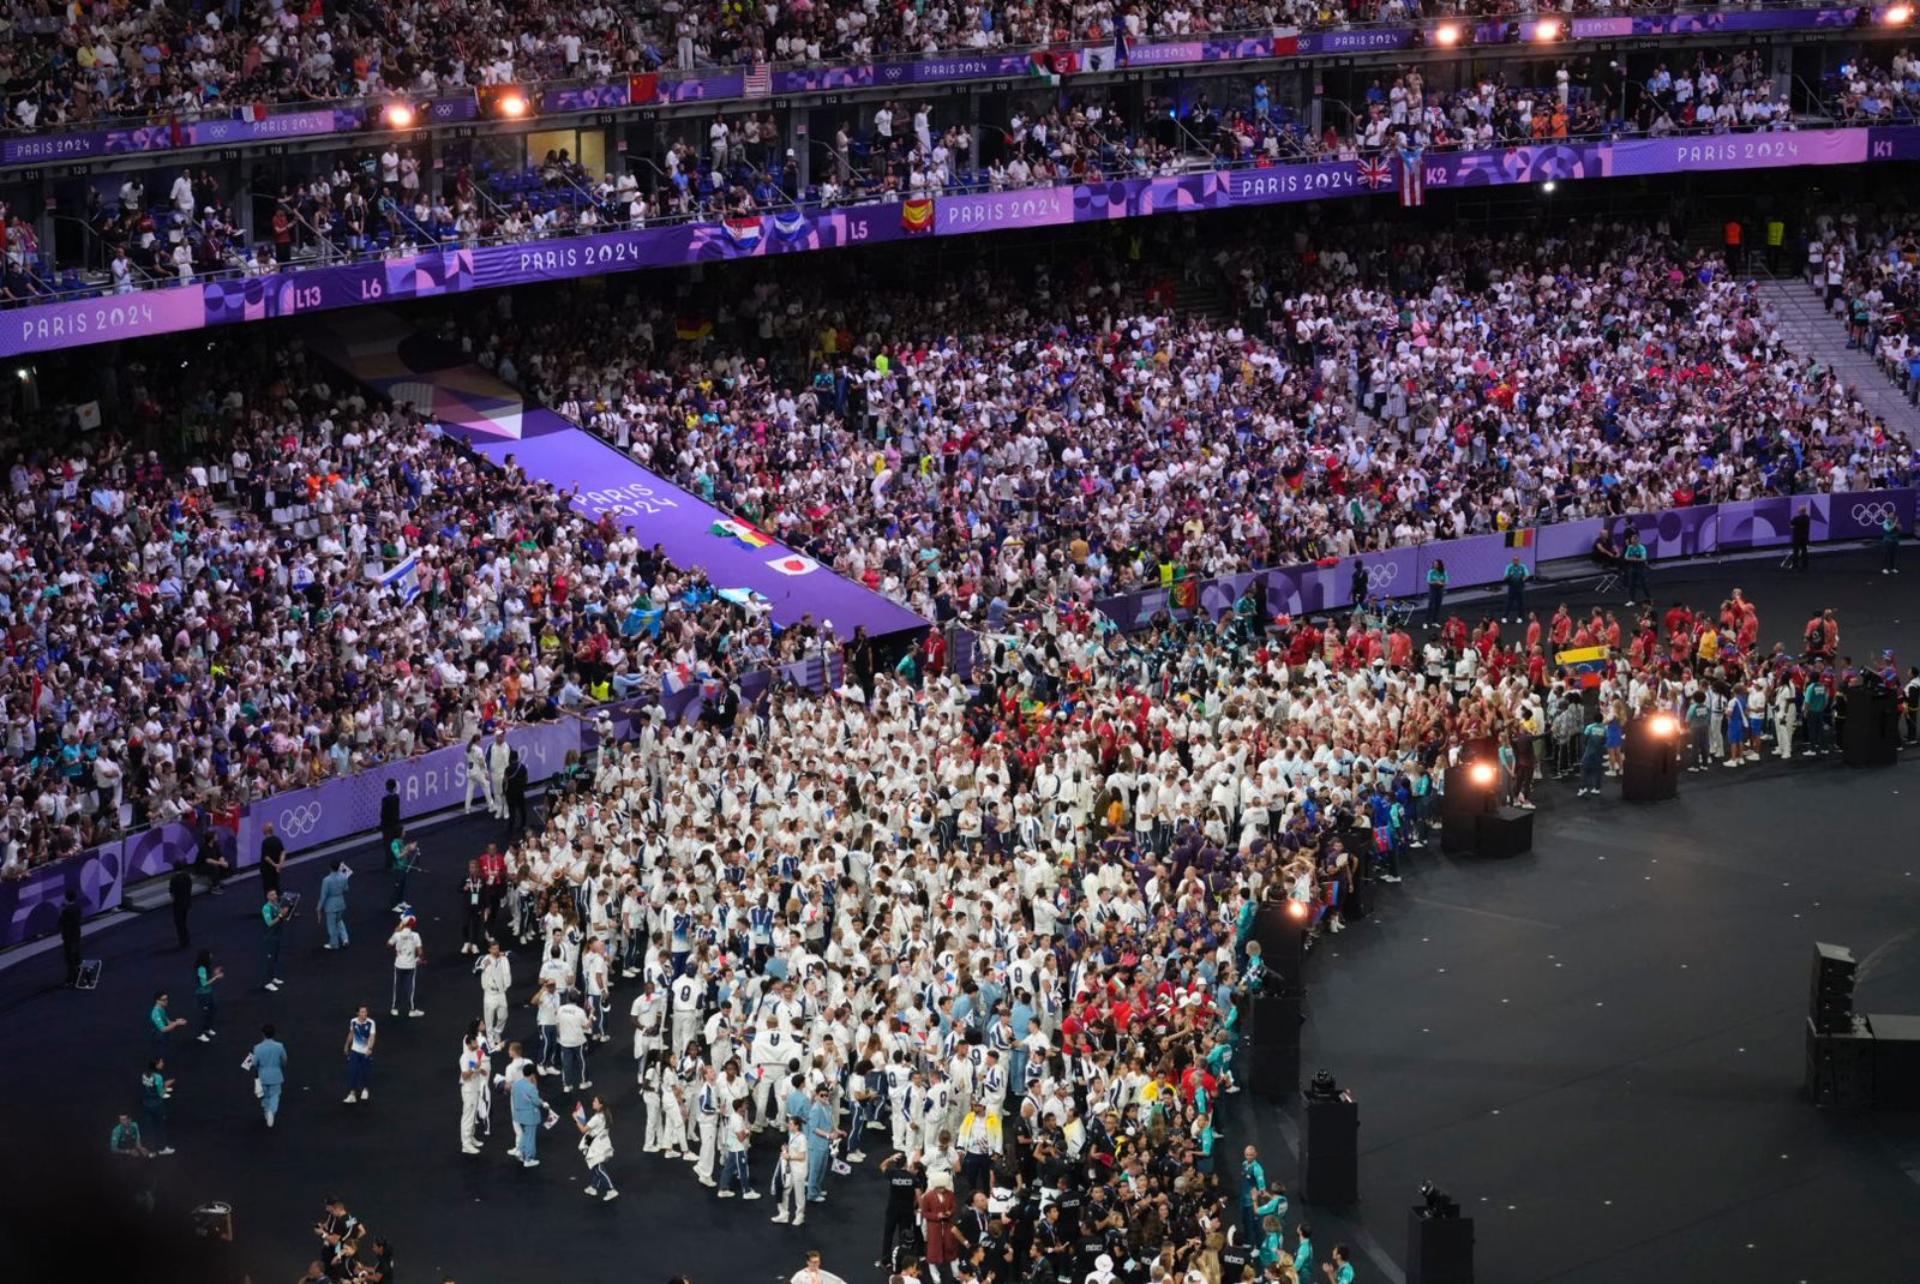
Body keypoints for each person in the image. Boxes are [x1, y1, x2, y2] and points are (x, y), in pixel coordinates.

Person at [576, 1094, 617, 1200]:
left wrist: (576, 1118)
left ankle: (611, 1190)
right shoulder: (605, 1114)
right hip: (601, 1142)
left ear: (601, 1105)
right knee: (595, 1166)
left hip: (596, 1146)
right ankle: (593, 1187)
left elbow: (583, 1130)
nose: (593, 1103)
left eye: (595, 1102)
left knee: (598, 1167)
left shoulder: (596, 1118)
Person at [772, 1114, 810, 1225]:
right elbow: (795, 1150)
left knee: (799, 1195)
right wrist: (787, 1149)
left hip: (799, 1171)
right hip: (791, 1169)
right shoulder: (792, 1135)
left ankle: (800, 1216)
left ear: (797, 1126)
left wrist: (789, 1156)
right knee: (785, 1190)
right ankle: (784, 1214)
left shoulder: (802, 1138)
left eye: (791, 1124)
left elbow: (802, 1156)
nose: (788, 1125)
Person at [250, 1023, 288, 1128]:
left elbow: (254, 1063)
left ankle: (267, 1112)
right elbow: (284, 1060)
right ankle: (272, 1111)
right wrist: (280, 1066)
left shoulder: (257, 1048)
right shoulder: (279, 1046)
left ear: (262, 1034)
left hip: (263, 1076)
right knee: (275, 1095)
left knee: (265, 1096)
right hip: (276, 1074)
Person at [510, 1059, 545, 1166]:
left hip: (518, 1114)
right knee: (530, 1137)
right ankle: (528, 1159)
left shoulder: (516, 1084)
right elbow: (536, 1101)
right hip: (530, 1116)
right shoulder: (531, 1087)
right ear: (533, 1074)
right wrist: (543, 1103)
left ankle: (520, 1151)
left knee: (525, 1134)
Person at [459, 1032, 489, 1155]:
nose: (477, 1043)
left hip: (475, 1089)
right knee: (468, 1117)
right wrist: (474, 1068)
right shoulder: (464, 1057)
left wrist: (480, 1070)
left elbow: (475, 1069)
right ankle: (465, 1144)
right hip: (469, 1090)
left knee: (472, 1116)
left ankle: (471, 1138)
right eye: (474, 1042)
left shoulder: (474, 1054)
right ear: (468, 1044)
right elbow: (464, 1076)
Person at [389, 915, 424, 1017]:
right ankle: (412, 1010)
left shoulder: (397, 934)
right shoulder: (416, 935)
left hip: (399, 964)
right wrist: (419, 959)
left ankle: (394, 1008)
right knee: (410, 987)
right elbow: (420, 952)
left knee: (397, 986)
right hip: (410, 965)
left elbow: (388, 944)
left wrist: (395, 932)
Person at [479, 941, 512, 1045]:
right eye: (493, 949)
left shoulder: (504, 959)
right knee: (489, 1018)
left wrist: (504, 953)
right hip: (490, 993)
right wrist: (483, 966)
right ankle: (490, 1038)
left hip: (501, 992)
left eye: (497, 948)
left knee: (503, 1016)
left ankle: (497, 1032)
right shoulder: (485, 959)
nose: (496, 950)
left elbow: (515, 956)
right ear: (489, 950)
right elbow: (474, 971)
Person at [140, 1058, 175, 1155]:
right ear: (156, 1065)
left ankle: (151, 1150)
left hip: (146, 1104)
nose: (163, 1063)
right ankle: (162, 1148)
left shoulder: (144, 1073)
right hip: (157, 1105)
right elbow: (161, 1093)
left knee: (150, 1127)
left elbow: (149, 1087)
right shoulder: (158, 1077)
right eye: (161, 1062)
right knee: (160, 1126)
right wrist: (165, 1085)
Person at [345, 1005, 377, 1103]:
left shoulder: (371, 1023)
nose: (364, 1014)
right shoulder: (353, 1021)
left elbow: (372, 1037)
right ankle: (352, 1094)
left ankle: (365, 1089)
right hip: (354, 1051)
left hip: (365, 1052)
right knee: (352, 1071)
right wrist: (346, 1045)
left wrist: (370, 1048)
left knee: (365, 1071)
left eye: (365, 1012)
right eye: (362, 1012)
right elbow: (351, 1033)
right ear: (357, 1013)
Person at [261, 889, 291, 992]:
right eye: (272, 894)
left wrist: (286, 912)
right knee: (269, 960)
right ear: (267, 896)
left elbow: (283, 918)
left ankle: (272, 978)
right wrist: (281, 915)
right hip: (270, 937)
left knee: (274, 958)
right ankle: (267, 982)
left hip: (277, 936)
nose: (275, 896)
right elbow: (269, 923)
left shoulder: (277, 905)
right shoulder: (266, 908)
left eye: (275, 894)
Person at [318, 861, 352, 950]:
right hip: (341, 903)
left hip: (330, 905)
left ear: (330, 868)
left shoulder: (326, 880)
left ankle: (334, 944)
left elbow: (323, 895)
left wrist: (319, 907)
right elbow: (346, 888)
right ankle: (345, 939)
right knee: (339, 921)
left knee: (332, 926)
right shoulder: (343, 877)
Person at [193, 950, 223, 1042]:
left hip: (209, 992)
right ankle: (200, 1034)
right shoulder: (201, 968)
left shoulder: (206, 967)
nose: (212, 957)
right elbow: (204, 983)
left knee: (213, 1009)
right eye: (210, 956)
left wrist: (215, 973)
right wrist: (216, 977)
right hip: (202, 995)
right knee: (204, 1014)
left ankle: (207, 1028)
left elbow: (208, 978)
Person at [149, 990, 187, 1059]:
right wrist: (176, 1023)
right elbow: (163, 1029)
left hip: (162, 1036)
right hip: (158, 1036)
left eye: (167, 999)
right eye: (164, 1000)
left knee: (162, 1052)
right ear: (157, 1001)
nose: (166, 1001)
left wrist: (177, 1022)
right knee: (158, 1054)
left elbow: (167, 1022)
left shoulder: (162, 1008)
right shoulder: (156, 1013)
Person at [58, 891, 83, 987]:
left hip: (68, 937)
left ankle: (71, 979)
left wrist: (61, 911)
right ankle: (80, 975)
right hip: (77, 935)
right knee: (77, 956)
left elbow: (60, 923)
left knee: (69, 958)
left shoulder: (66, 910)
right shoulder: (78, 907)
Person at [505, 749, 530, 839]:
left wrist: (504, 791)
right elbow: (526, 779)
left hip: (510, 793)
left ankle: (511, 829)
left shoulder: (508, 769)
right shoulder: (522, 767)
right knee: (522, 808)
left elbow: (505, 782)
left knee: (512, 811)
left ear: (510, 758)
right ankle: (523, 824)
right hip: (520, 792)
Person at [465, 735, 493, 814]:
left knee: (470, 790)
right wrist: (486, 773)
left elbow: (467, 760)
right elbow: (481, 762)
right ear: (477, 740)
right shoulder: (478, 749)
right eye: (480, 740)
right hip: (477, 771)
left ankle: (467, 809)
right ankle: (491, 806)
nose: (481, 742)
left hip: (470, 770)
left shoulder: (468, 748)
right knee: (486, 785)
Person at [168, 863, 193, 949]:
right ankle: (186, 940)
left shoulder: (174, 878)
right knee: (184, 921)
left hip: (178, 904)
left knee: (179, 923)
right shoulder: (187, 876)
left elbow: (172, 893)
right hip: (187, 902)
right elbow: (190, 887)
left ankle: (183, 941)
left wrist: (173, 901)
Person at [258, 822, 286, 898]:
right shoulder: (277, 840)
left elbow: (266, 857)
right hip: (276, 870)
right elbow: (283, 852)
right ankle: (279, 904)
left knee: (269, 889)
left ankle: (270, 907)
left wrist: (275, 865)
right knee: (277, 886)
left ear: (265, 831)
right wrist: (280, 864)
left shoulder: (265, 842)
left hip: (267, 870)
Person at [1623, 530, 1650, 605]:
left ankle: (1649, 598)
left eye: (1633, 540)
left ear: (1637, 540)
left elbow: (1643, 558)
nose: (1632, 541)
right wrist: (1636, 558)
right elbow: (1626, 557)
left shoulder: (1641, 548)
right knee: (1631, 584)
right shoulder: (1630, 547)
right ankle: (1632, 600)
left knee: (1644, 584)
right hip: (1632, 567)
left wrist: (1633, 558)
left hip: (1641, 568)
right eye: (1631, 540)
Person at [379, 781, 402, 867]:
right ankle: (397, 861)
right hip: (396, 823)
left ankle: (389, 865)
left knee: (388, 845)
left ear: (387, 787)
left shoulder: (386, 799)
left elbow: (383, 813)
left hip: (388, 825)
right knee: (395, 844)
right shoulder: (397, 797)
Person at [1502, 556, 1529, 624]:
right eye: (1514, 560)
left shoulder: (1523, 566)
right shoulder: (1509, 567)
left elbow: (1527, 575)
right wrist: (1509, 575)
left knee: (1521, 603)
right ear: (1512, 561)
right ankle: (1505, 617)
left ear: (1519, 560)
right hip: (1512, 587)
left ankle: (1520, 617)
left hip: (1520, 587)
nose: (1515, 561)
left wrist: (1523, 579)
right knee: (1509, 603)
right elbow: (1505, 577)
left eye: (1517, 560)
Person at [1424, 560, 1448, 628]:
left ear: (1439, 565)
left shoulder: (1444, 572)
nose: (1435, 565)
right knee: (1430, 605)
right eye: (1434, 564)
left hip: (1440, 589)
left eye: (1436, 564)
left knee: (1438, 605)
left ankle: (1434, 621)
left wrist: (1441, 583)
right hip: (1433, 589)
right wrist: (1436, 582)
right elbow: (1429, 581)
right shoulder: (1431, 571)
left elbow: (1446, 582)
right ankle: (1426, 622)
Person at [1789, 505, 1812, 570]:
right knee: (1804, 551)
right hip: (1804, 537)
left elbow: (1791, 525)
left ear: (1799, 511)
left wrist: (1795, 527)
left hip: (1797, 538)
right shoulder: (1807, 518)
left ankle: (1795, 565)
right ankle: (1805, 565)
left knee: (1796, 551)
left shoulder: (1796, 518)